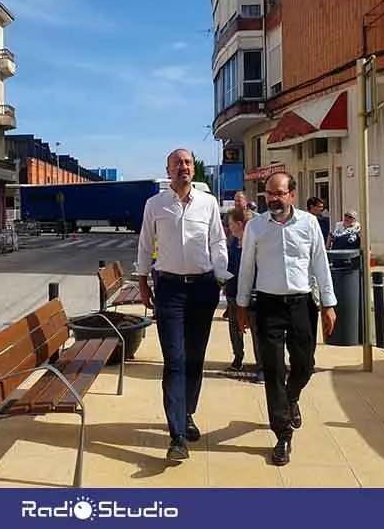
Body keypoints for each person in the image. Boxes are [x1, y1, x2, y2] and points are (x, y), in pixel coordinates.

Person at [236, 172, 337, 466]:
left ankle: (291, 398)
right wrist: (242, 306)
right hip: (267, 306)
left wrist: (329, 304)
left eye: (279, 193)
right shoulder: (255, 227)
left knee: (305, 366)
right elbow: (246, 269)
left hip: (302, 304)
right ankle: (282, 435)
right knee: (273, 370)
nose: (273, 199)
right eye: (269, 193)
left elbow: (320, 262)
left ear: (292, 194)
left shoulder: (309, 223)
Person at [137, 148, 229, 461]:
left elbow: (218, 241)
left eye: (188, 163)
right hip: (170, 290)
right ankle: (176, 435)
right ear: (168, 170)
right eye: (177, 163)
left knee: (194, 358)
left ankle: (187, 413)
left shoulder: (209, 203)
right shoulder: (156, 204)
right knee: (174, 360)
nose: (183, 168)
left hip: (203, 288)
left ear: (193, 169)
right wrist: (142, 280)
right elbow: (145, 244)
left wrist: (220, 274)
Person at [224, 208, 263, 382]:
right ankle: (238, 357)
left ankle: (261, 365)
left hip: (253, 293)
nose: (229, 228)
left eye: (231, 224)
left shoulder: (254, 242)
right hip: (233, 292)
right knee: (235, 329)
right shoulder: (232, 242)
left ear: (240, 224)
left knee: (256, 330)